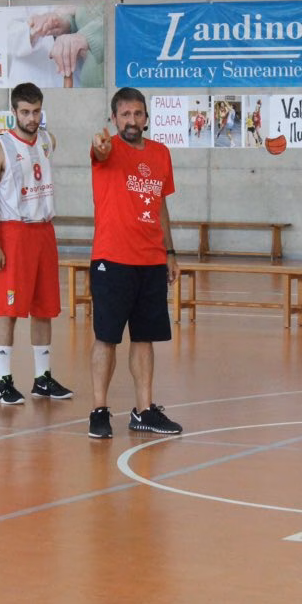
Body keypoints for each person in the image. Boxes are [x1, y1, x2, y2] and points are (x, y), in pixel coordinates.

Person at [86, 87, 183, 439]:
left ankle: (143, 410)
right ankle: (99, 410)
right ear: (114, 118)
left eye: (137, 114)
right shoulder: (107, 150)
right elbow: (99, 151)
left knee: (144, 338)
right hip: (112, 259)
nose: (131, 120)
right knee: (107, 337)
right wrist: (99, 145)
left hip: (151, 259)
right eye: (125, 114)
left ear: (146, 118)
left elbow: (160, 205)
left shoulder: (160, 153)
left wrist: (169, 252)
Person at [0, 82, 74, 405]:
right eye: (25, 112)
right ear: (13, 112)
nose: (31, 118)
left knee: (44, 309)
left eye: (36, 112)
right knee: (7, 310)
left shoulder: (48, 140)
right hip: (14, 232)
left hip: (44, 231)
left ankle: (42, 379)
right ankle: (3, 382)